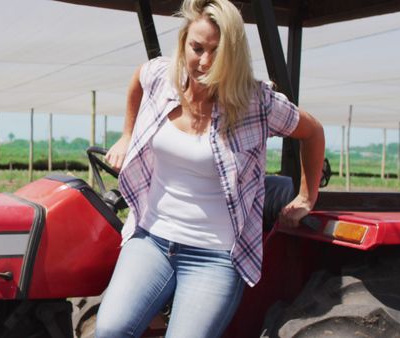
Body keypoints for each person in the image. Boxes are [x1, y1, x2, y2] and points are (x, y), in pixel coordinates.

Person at [95, 0, 325, 337]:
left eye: (216, 51)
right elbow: (139, 79)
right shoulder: (162, 76)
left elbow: (313, 131)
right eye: (197, 47)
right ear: (184, 41)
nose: (204, 61)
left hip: (214, 255)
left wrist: (307, 196)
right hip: (152, 239)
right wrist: (127, 135)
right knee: (111, 330)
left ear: (232, 54)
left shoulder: (256, 102)